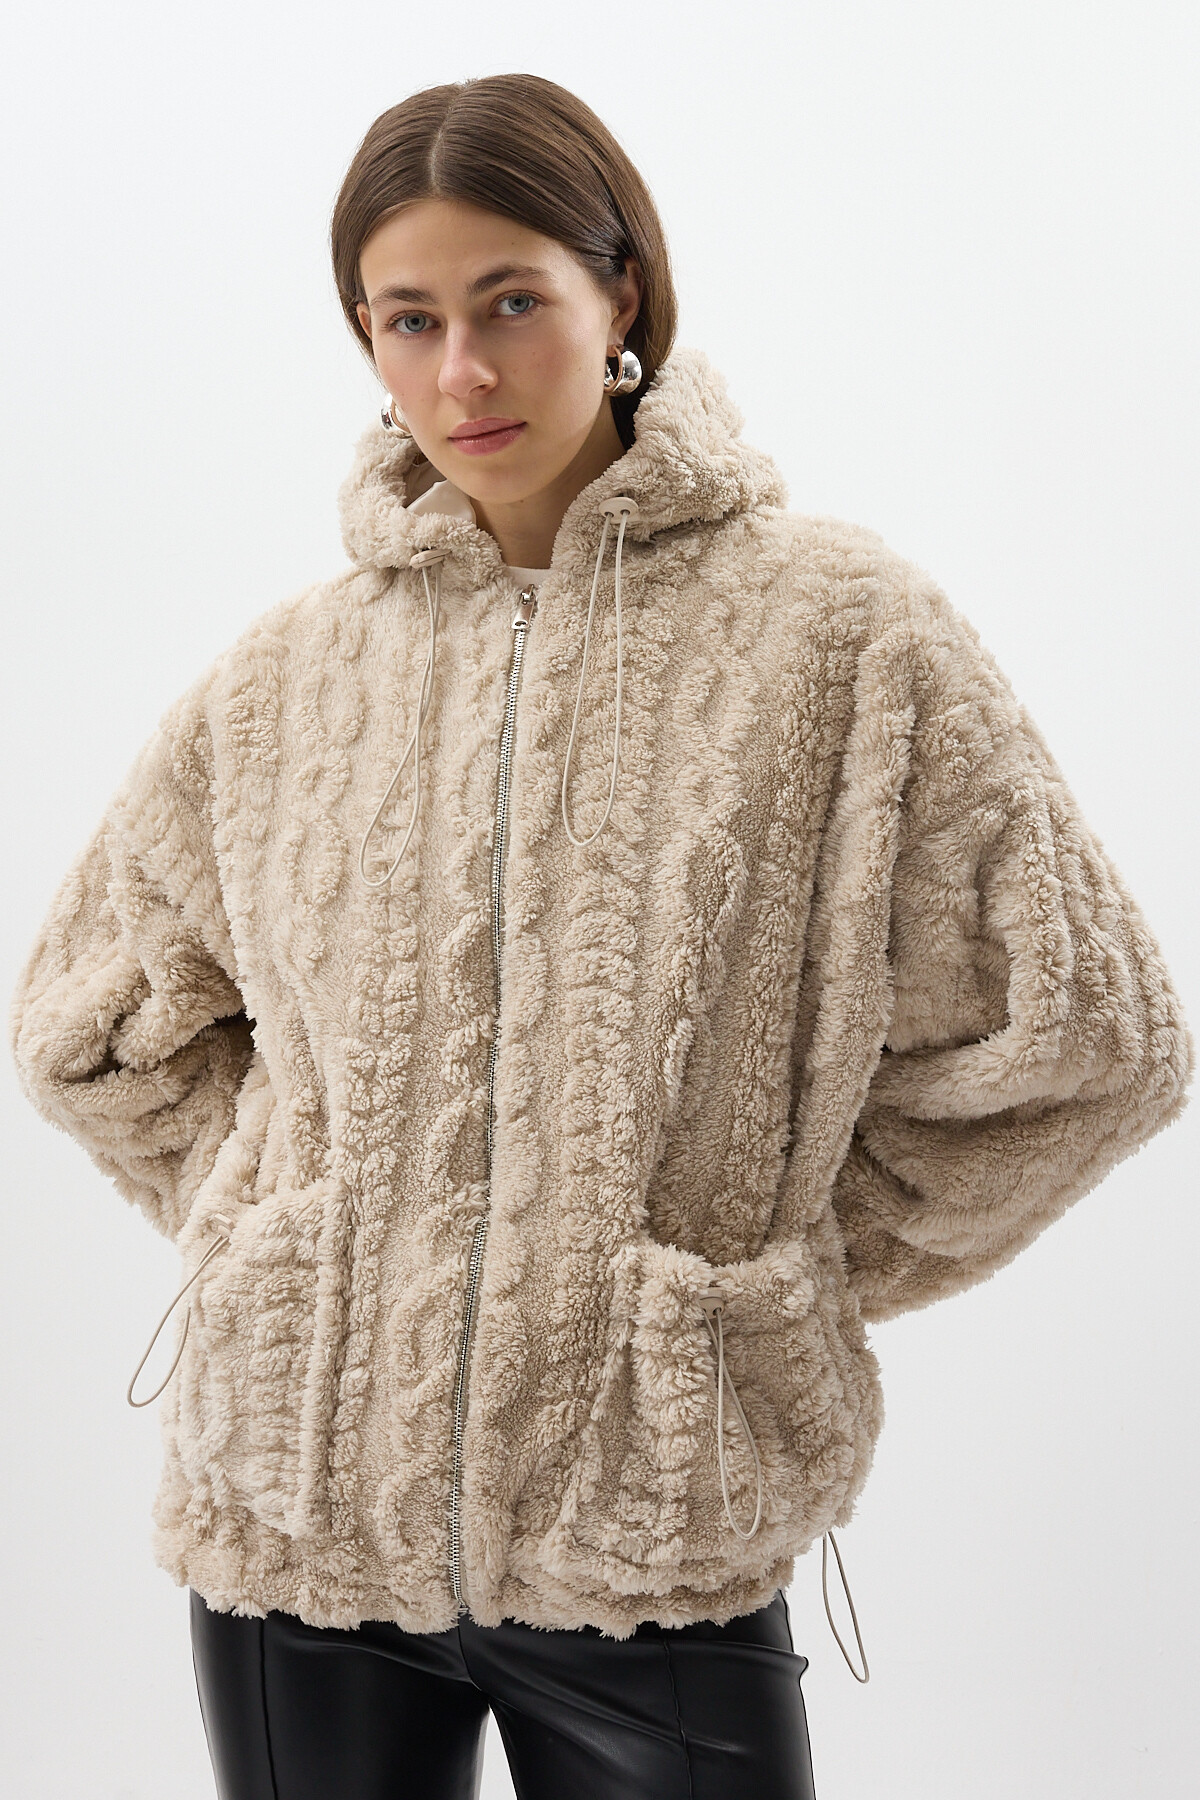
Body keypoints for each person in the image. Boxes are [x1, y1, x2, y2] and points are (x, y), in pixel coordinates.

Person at [8, 72, 1192, 1800]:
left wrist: (759, 1283)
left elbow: (1091, 1038)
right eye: (409, 320)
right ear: (365, 337)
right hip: (297, 1539)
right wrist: (289, 1247)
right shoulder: (286, 680)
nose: (462, 374)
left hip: (649, 1534)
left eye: (511, 303)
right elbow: (88, 1021)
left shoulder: (839, 637)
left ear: (619, 294)